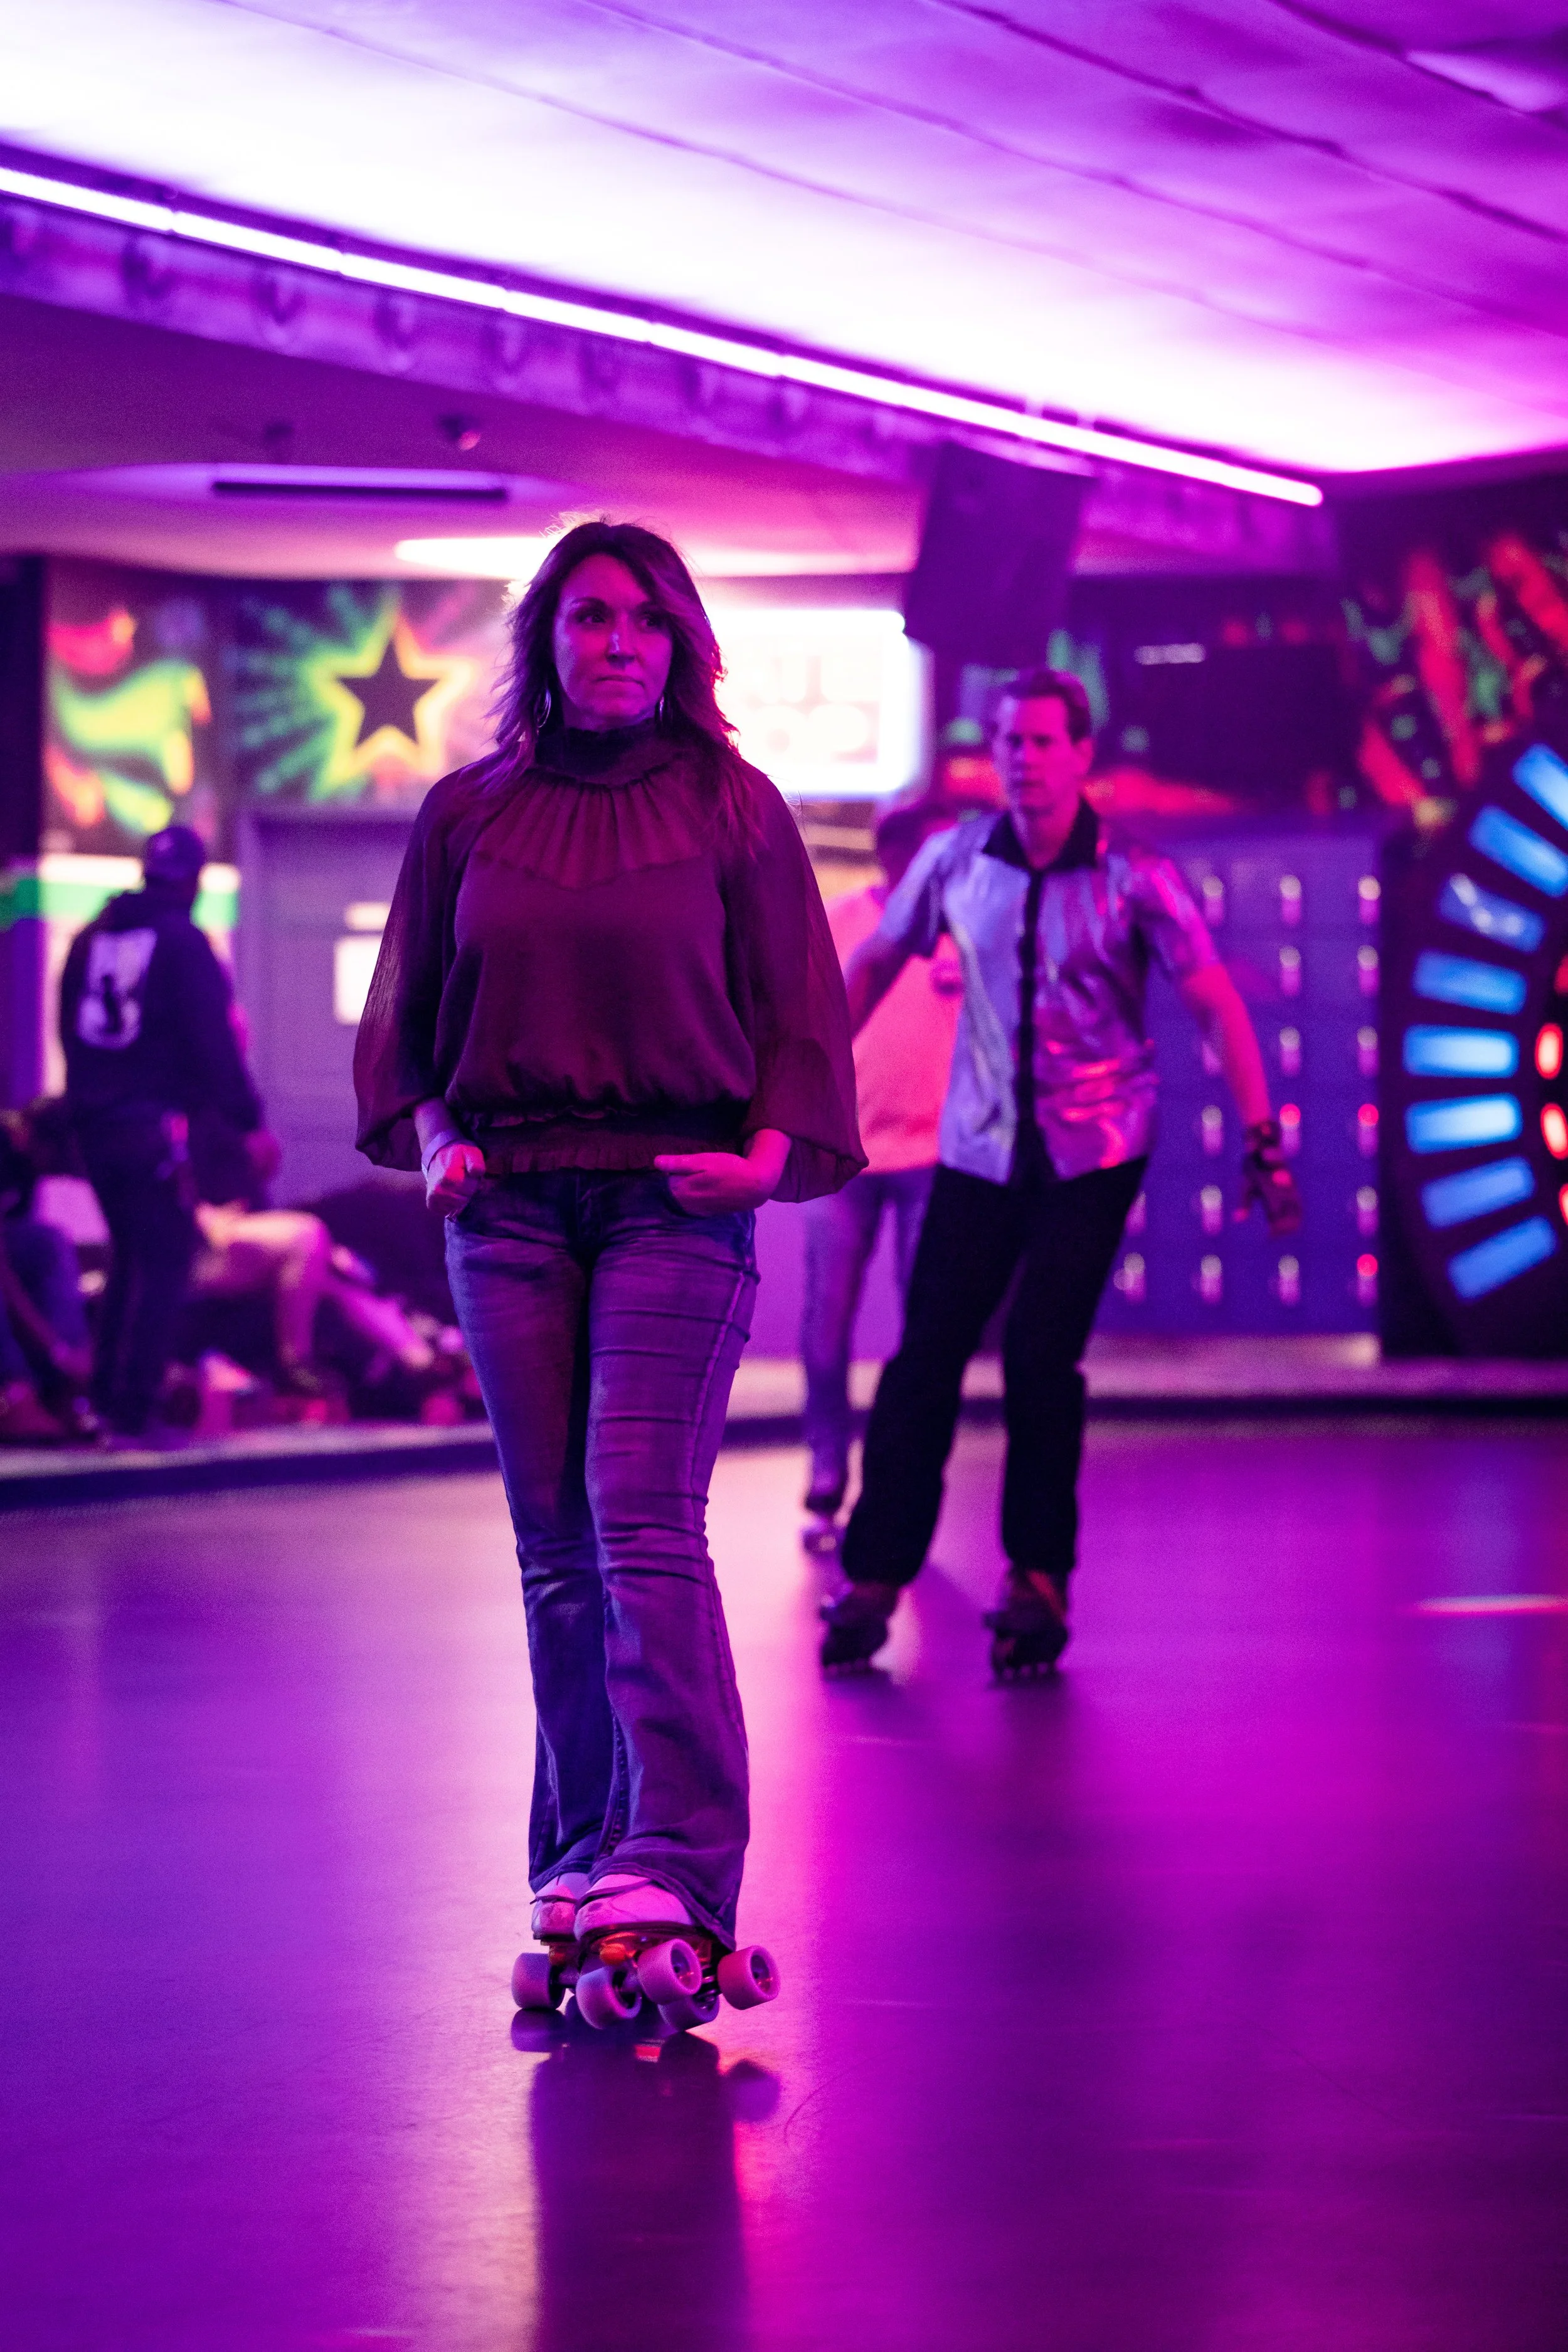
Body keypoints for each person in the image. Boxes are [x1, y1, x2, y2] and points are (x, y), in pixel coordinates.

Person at [354, 520, 861, 2025]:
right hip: (504, 1204)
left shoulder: (733, 808)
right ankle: (578, 1847)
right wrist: (438, 1136)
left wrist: (766, 1159)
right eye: (588, 618)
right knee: (554, 1545)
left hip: (669, 1197)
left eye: (644, 620)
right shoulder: (466, 814)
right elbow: (412, 1018)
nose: (616, 642)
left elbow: (800, 1011)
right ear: (547, 643)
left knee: (641, 1524)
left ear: (683, 646)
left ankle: (680, 1859)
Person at [822, 668, 1301, 1677]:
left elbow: (1214, 1000)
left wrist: (1262, 1136)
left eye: (1044, 742)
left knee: (1042, 1354)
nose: (1025, 760)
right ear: (992, 754)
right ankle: (874, 1575)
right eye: (1010, 742)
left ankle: (1037, 1579)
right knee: (925, 1355)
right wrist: (815, 1078)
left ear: (1082, 755)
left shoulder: (1136, 876)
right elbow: (874, 961)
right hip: (980, 1146)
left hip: (1097, 1148)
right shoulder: (955, 862)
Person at [59, 825, 276, 1440]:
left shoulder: (89, 938)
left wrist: (86, 1106)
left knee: (130, 1251)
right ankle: (132, 1409)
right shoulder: (183, 942)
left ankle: (103, 1404)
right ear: (194, 880)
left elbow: (67, 1029)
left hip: (95, 1125)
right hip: (148, 1122)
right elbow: (213, 1041)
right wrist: (248, 1124)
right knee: (165, 1255)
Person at [798, 800, 968, 1533]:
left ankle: (899, 1475)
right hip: (844, 1154)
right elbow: (799, 1016)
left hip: (935, 1157)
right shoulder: (840, 920)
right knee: (825, 1321)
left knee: (924, 1327)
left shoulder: (967, 928)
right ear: (894, 855)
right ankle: (827, 1464)